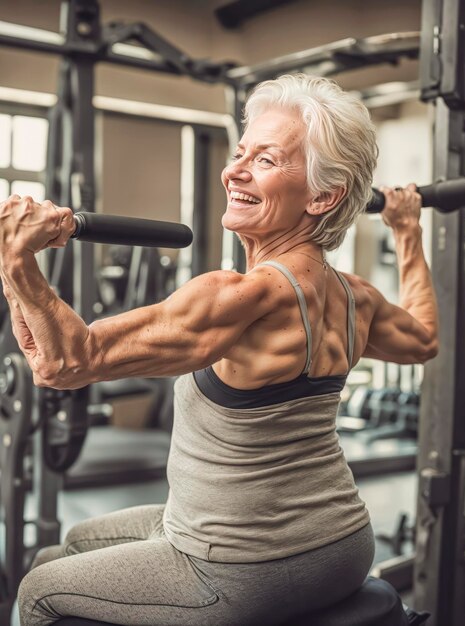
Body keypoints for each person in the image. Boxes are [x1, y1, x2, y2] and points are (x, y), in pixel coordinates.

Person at [5, 74, 438, 626]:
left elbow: (66, 361)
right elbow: (425, 337)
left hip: (242, 564)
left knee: (39, 588)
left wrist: (16, 259)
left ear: (323, 195)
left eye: (265, 160)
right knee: (72, 542)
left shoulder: (242, 296)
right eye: (240, 153)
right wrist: (407, 233)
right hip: (345, 543)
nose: (235, 171)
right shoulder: (355, 296)